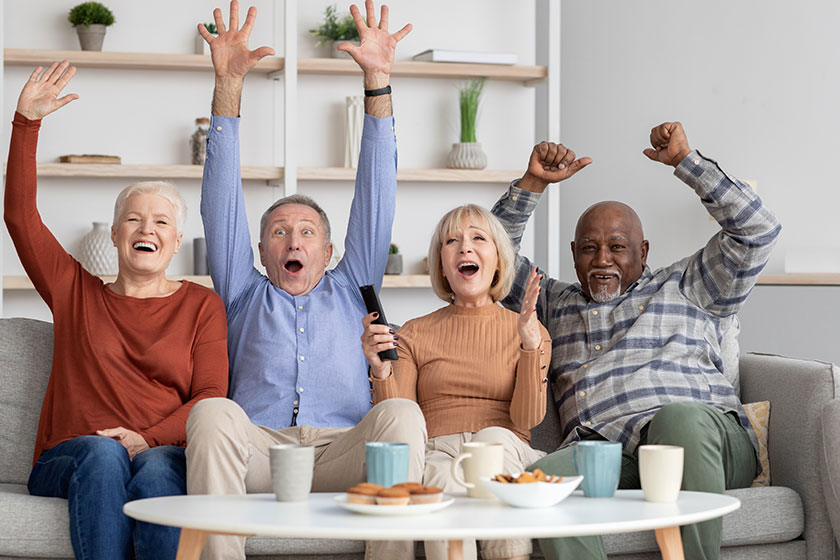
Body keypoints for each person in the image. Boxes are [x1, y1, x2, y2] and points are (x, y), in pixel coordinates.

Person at [185, 2, 425, 559]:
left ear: (329, 250)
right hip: (258, 454)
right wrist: (227, 84)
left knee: (403, 414)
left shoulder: (353, 283)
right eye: (279, 232)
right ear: (261, 251)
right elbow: (219, 199)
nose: (294, 241)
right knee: (211, 411)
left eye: (308, 232)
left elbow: (377, 191)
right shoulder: (242, 291)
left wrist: (378, 80)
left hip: (341, 454)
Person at [490, 122, 781, 560]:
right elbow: (488, 254)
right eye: (589, 248)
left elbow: (758, 230)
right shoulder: (552, 302)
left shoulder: (688, 284)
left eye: (617, 247)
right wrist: (531, 184)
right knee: (541, 481)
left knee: (678, 419)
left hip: (701, 442)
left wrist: (687, 162)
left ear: (643, 252)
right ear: (573, 253)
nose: (602, 259)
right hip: (608, 453)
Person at [4, 61, 229, 560]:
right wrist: (25, 123)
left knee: (156, 468)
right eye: (133, 218)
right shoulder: (74, 292)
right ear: (114, 235)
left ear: (174, 243)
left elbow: (211, 396)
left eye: (160, 222)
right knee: (105, 454)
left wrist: (145, 438)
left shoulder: (201, 305)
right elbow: (19, 218)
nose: (145, 228)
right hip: (72, 457)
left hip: (160, 451)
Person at [362, 204, 552, 560]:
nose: (465, 247)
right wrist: (380, 369)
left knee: (493, 441)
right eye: (453, 241)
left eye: (478, 238)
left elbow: (527, 420)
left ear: (498, 259)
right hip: (438, 450)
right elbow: (398, 420)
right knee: (440, 478)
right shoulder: (414, 332)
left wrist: (529, 345)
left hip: (505, 446)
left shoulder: (529, 329)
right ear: (443, 266)